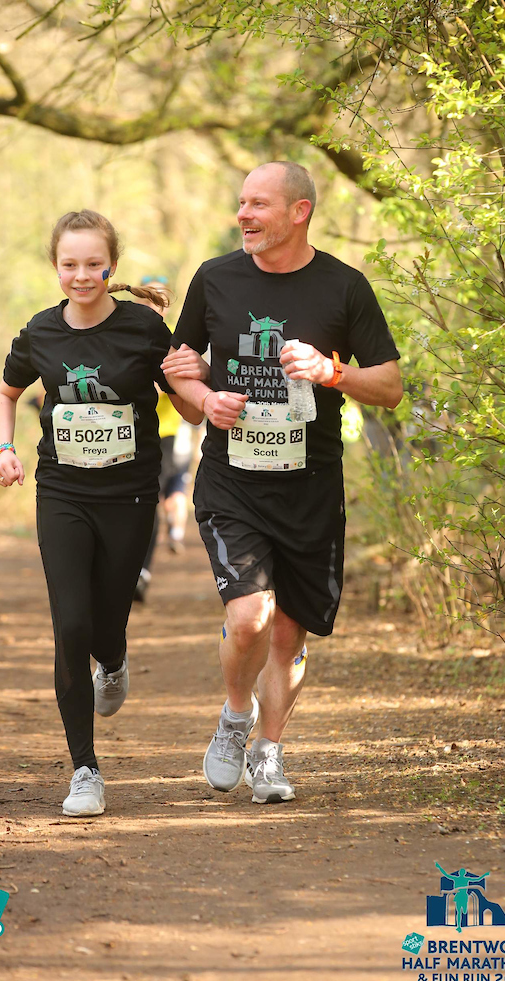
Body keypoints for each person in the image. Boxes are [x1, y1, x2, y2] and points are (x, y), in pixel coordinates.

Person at [162, 161, 403, 804]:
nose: (243, 214)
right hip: (232, 478)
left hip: (311, 482)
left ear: (299, 212)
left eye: (258, 204)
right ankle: (234, 718)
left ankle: (268, 751)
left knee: (290, 634)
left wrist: (332, 372)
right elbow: (179, 373)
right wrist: (202, 398)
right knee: (249, 618)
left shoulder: (344, 287)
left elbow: (390, 386)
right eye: (240, 202)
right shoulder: (214, 279)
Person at [0, 210, 203, 817]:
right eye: (69, 265)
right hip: (62, 490)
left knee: (108, 623)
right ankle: (85, 769)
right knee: (70, 624)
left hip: (132, 493)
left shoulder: (143, 328)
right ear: (55, 267)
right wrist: (5, 448)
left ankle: (113, 660)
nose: (80, 275)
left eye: (92, 264)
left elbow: (181, 399)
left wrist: (203, 398)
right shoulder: (40, 332)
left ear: (110, 266)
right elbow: (6, 394)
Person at [132, 277, 203, 601]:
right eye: (144, 301)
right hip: (125, 436)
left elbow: (183, 388)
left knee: (152, 501)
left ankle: (142, 572)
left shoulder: (170, 341)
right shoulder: (122, 335)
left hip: (166, 435)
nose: (149, 307)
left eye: (155, 302)